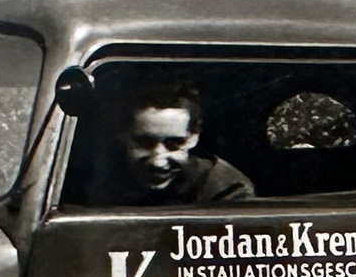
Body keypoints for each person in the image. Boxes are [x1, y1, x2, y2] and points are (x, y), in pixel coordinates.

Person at [90, 80, 256, 206]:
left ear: (193, 137)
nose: (158, 162)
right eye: (145, 143)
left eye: (174, 144)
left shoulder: (225, 189)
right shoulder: (97, 178)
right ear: (123, 135)